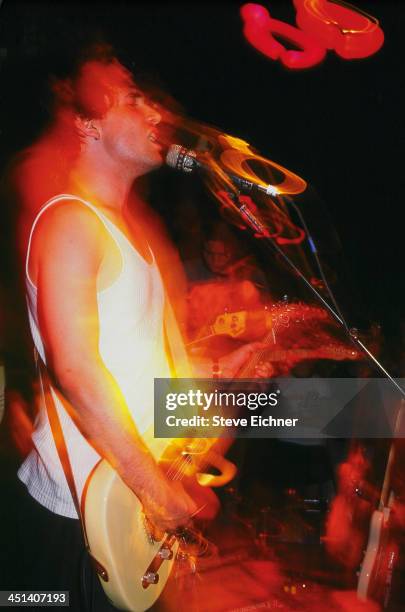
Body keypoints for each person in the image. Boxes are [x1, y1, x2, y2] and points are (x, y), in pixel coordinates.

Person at [8, 45, 268, 609]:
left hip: (127, 508)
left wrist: (219, 368)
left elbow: (139, 364)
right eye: (133, 100)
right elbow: (76, 370)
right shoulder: (71, 222)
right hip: (76, 517)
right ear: (86, 123)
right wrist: (158, 492)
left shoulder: (138, 237)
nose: (157, 116)